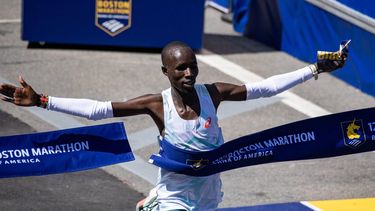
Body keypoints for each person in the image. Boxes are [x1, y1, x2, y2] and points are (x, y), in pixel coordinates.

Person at [0, 41, 347, 210]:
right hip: (175, 199)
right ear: (165, 72)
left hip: (208, 196)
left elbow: (266, 87)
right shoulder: (156, 104)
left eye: (192, 66)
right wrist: (43, 100)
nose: (189, 73)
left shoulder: (213, 93)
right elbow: (97, 110)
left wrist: (314, 70)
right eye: (180, 68)